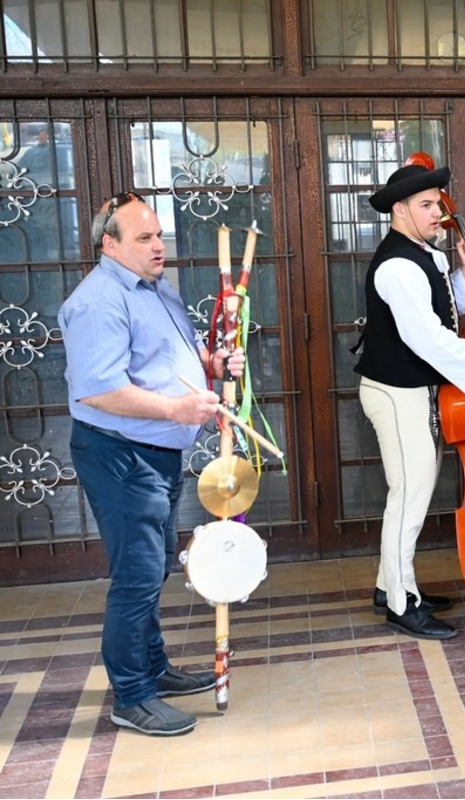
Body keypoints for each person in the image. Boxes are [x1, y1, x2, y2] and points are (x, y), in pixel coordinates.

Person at [62, 192, 246, 736]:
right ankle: (131, 695)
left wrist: (213, 363)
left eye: (158, 235)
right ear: (109, 244)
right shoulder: (97, 301)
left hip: (155, 450)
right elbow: (99, 390)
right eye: (143, 238)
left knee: (156, 562)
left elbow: (174, 357)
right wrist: (175, 408)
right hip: (120, 453)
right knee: (137, 574)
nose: (158, 245)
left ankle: (153, 669)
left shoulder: (156, 289)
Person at [354, 161, 465, 640]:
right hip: (398, 393)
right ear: (399, 209)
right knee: (409, 497)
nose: (437, 213)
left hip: (416, 392)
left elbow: (452, 312)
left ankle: (391, 586)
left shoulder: (425, 255)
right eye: (426, 205)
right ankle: (403, 604)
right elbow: (425, 337)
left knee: (410, 493)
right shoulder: (399, 264)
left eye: (437, 203)